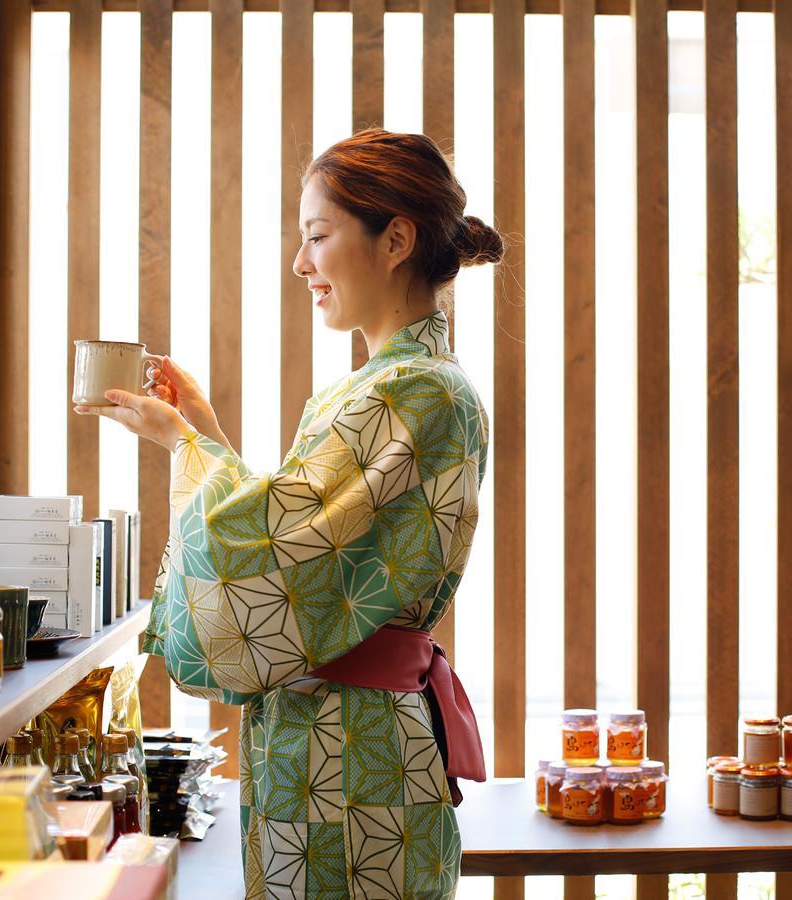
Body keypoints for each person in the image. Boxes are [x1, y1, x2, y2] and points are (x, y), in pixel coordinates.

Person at [75, 128, 501, 899]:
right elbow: (300, 540)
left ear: (396, 238)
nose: (301, 263)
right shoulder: (392, 385)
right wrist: (201, 430)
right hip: (329, 739)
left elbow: (279, 550)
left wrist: (183, 446)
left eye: (317, 236)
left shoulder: (418, 389)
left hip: (351, 749)